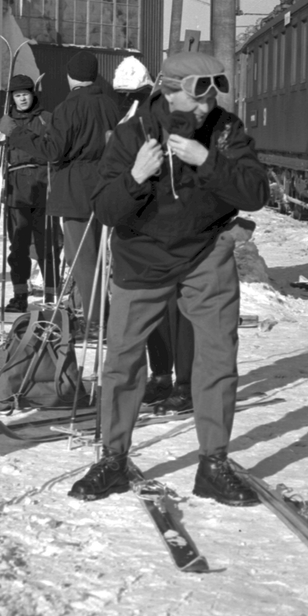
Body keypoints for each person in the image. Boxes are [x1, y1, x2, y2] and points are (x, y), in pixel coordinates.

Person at [72, 50, 270, 506]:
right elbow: (104, 209)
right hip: (141, 258)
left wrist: (208, 160)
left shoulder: (226, 130)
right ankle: (113, 460)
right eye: (197, 97)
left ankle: (214, 464)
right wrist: (136, 177)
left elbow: (256, 192)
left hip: (205, 253)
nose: (206, 106)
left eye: (212, 96)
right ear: (169, 91)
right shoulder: (132, 134)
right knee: (123, 359)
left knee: (218, 357)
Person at [5, 51, 120, 334]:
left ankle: (95, 319)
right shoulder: (110, 104)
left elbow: (53, 151)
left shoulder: (70, 106)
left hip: (76, 187)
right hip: (106, 185)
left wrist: (17, 134)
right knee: (98, 254)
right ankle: (90, 310)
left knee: (81, 256)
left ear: (70, 76)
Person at [112, 55, 188, 409]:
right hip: (140, 227)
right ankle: (161, 376)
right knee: (152, 312)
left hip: (175, 231)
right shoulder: (131, 121)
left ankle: (183, 382)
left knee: (176, 311)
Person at [0, 74, 58, 312]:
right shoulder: (5, 121)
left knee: (48, 245)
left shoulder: (47, 119)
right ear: (12, 98)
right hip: (16, 191)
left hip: (44, 188)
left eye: (25, 94)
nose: (22, 99)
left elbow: (58, 150)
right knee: (18, 246)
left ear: (33, 94)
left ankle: (51, 296)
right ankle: (20, 295)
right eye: (17, 95)